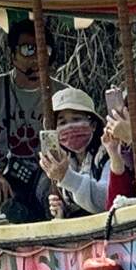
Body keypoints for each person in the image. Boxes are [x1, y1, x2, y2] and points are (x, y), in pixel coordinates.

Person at [0, 21, 68, 220]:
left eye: (44, 50)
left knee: (62, 199)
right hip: (0, 175)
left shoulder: (63, 94)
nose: (37, 58)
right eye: (28, 50)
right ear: (12, 55)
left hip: (46, 175)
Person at [40, 88, 110, 219]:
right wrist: (61, 212)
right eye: (62, 123)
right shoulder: (63, 160)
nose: (70, 127)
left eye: (76, 119)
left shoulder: (107, 152)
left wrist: (66, 177)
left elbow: (106, 200)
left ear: (93, 125)